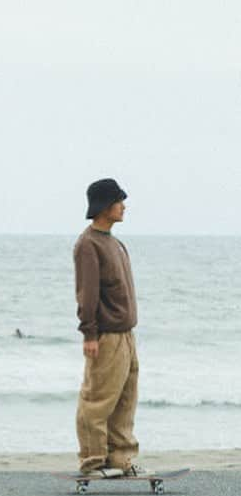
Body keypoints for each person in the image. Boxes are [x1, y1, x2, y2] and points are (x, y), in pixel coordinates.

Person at [74, 178, 145, 478]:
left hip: (126, 335)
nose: (124, 206)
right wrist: (90, 334)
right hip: (105, 335)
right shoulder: (88, 245)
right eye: (119, 201)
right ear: (105, 206)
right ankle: (93, 461)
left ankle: (120, 459)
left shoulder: (116, 243)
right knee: (98, 399)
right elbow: (87, 293)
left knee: (126, 399)